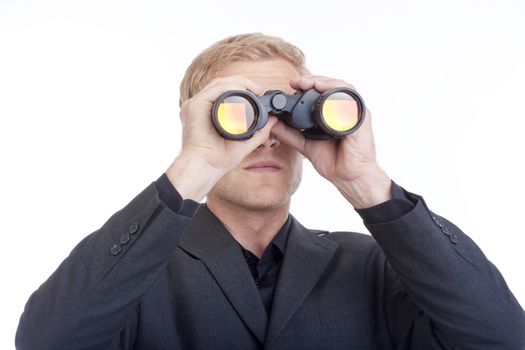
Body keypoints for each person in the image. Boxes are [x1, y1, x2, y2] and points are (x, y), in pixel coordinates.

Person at [16, 33, 525, 350]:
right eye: (242, 114)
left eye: (286, 115)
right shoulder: (134, 273)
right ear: (197, 122)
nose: (267, 136)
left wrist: (366, 181)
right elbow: (46, 341)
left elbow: (504, 339)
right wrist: (195, 166)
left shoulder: (372, 266)